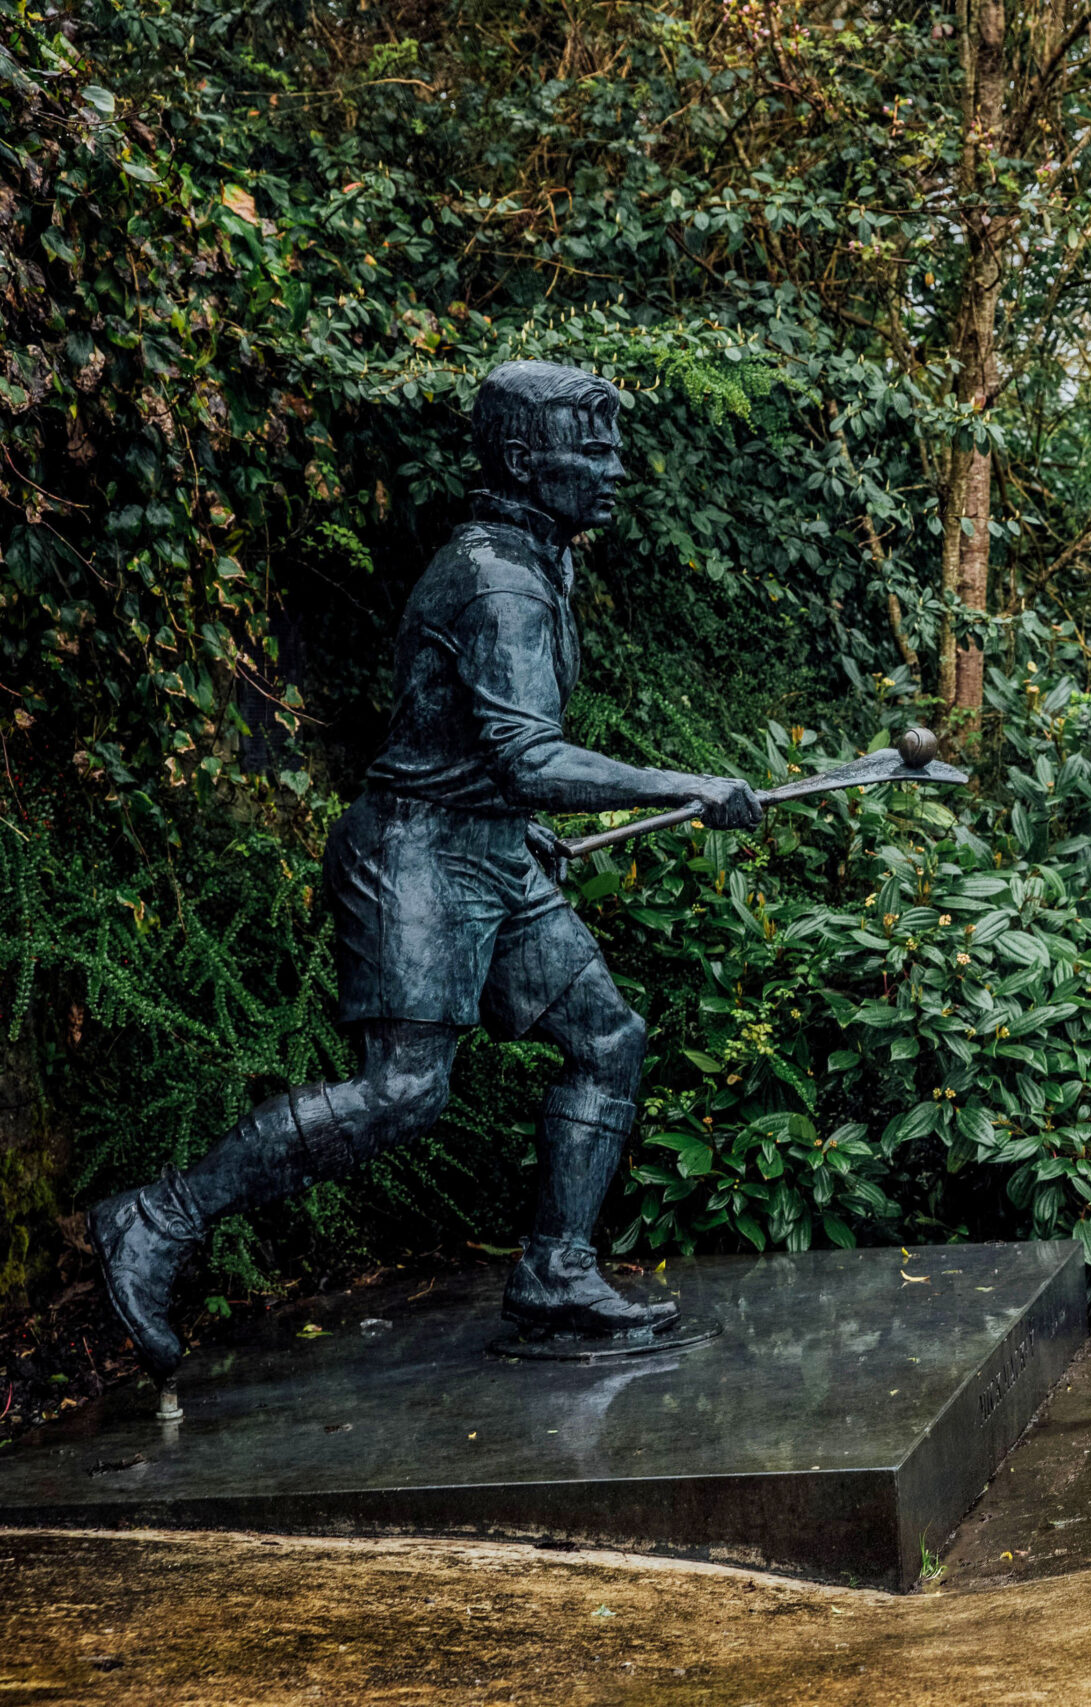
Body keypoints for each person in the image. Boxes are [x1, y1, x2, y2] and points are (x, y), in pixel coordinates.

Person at [88, 361, 764, 1381]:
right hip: (417, 851)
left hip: (491, 846)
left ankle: (554, 1270)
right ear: (527, 462)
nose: (616, 467)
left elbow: (482, 751)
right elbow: (528, 756)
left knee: (606, 1039)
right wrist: (691, 786)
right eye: (595, 448)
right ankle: (157, 1215)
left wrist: (513, 821)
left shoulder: (539, 560)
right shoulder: (496, 581)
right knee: (403, 1092)